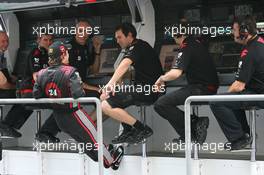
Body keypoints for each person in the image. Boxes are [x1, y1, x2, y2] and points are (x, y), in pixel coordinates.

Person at [33, 41, 124, 170]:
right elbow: (78, 93)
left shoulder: (41, 73)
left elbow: (36, 94)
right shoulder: (70, 71)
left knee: (84, 143)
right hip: (74, 113)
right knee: (94, 139)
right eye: (67, 52)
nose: (69, 54)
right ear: (63, 54)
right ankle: (111, 160)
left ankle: (103, 157)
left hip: (59, 119)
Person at [153, 22, 219, 144]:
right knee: (163, 103)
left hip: (201, 89)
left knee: (161, 104)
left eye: (173, 34)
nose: (173, 37)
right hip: (206, 88)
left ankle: (192, 127)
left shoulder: (187, 46)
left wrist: (161, 78)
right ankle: (193, 128)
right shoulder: (195, 44)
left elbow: (176, 73)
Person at [100, 23, 163, 144]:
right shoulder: (139, 46)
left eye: (119, 37)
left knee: (106, 105)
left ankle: (142, 129)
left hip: (148, 90)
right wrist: (117, 83)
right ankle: (128, 129)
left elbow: (125, 64)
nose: (117, 41)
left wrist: (110, 85)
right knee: (109, 100)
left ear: (129, 35)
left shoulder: (137, 46)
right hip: (144, 88)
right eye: (116, 38)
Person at [210, 15, 264, 150]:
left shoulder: (251, 51)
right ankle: (245, 134)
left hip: (259, 95)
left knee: (217, 102)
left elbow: (239, 85)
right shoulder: (259, 43)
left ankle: (239, 138)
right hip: (256, 92)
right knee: (232, 99)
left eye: (234, 30)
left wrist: (225, 98)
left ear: (244, 31)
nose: (232, 33)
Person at [0, 32, 60, 142]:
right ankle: (45, 132)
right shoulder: (36, 53)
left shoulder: (51, 55)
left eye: (50, 40)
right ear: (38, 40)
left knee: (63, 103)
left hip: (34, 91)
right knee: (63, 104)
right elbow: (37, 76)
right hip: (32, 90)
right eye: (45, 40)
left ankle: (7, 125)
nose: (48, 42)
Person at [0, 31, 34, 138]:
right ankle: (6, 126)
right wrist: (18, 88)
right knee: (27, 96)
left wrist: (19, 80)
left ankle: (10, 127)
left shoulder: (2, 56)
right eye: (2, 41)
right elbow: (3, 84)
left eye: (7, 41)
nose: (5, 44)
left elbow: (8, 77)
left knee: (30, 98)